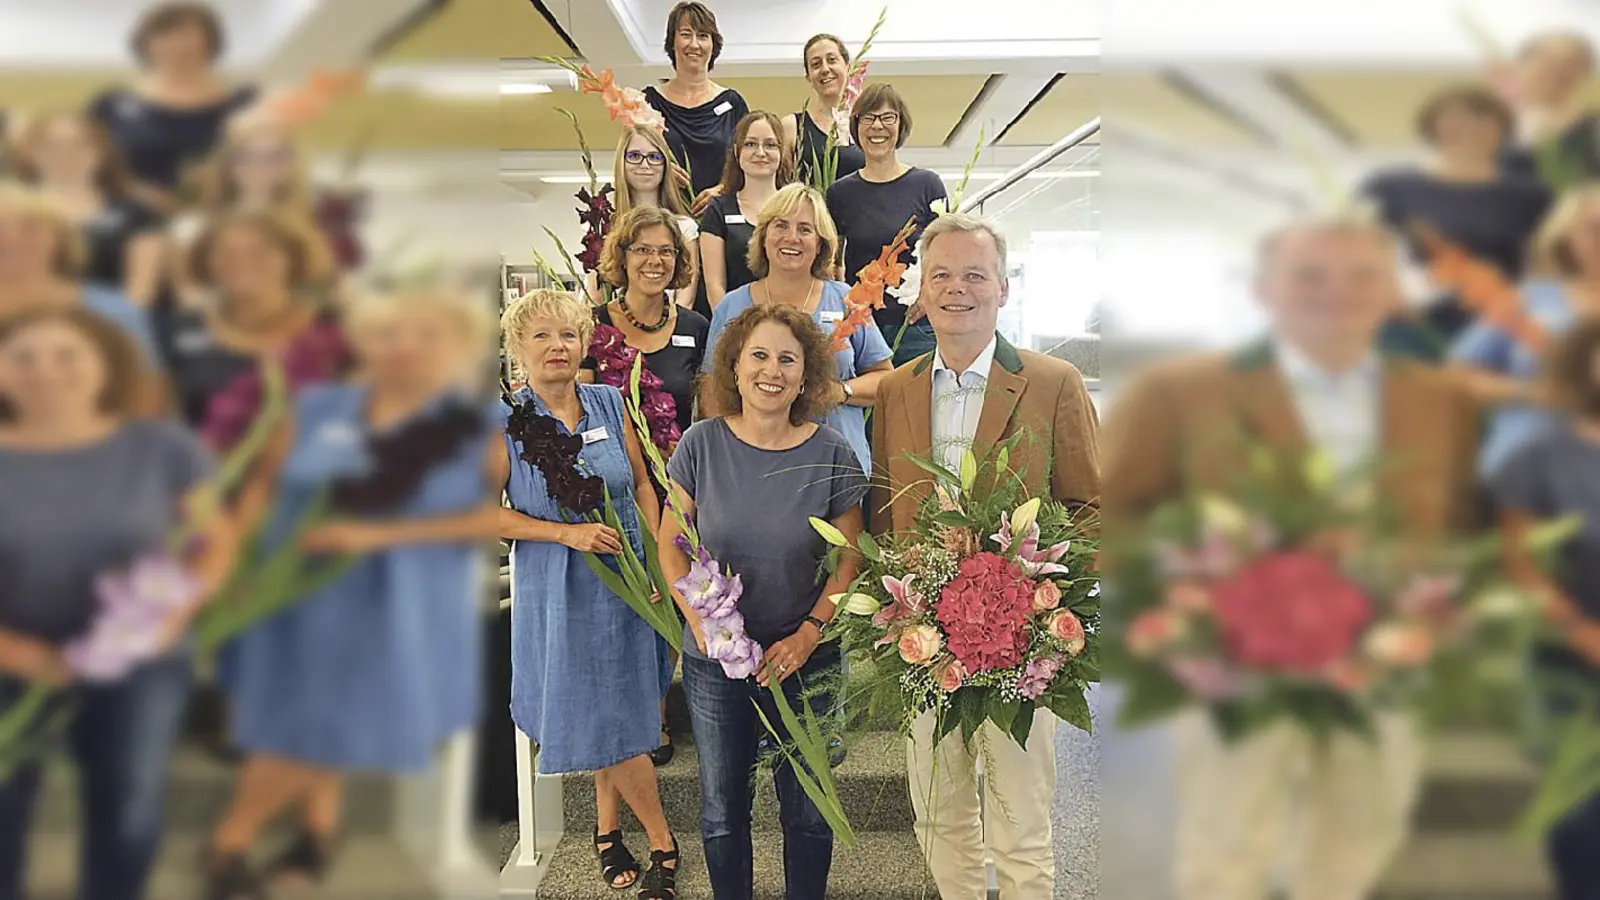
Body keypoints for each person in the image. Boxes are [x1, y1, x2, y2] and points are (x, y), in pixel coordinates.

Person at [1102, 218, 1480, 900]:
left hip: (1386, 664)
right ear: (1263, 290)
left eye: (1363, 276)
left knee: (1362, 834)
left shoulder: (1442, 396)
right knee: (1227, 845)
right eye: (1310, 276)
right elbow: (1112, 513)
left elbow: (1468, 520)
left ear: (1392, 292)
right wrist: (1181, 598)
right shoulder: (1182, 390)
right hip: (1238, 661)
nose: (1338, 292)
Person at [204, 289, 498, 897]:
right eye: (391, 333)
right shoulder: (316, 409)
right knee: (298, 718)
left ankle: (230, 842)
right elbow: (261, 490)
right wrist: (232, 572)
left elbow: (488, 518)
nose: (405, 346)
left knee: (325, 721)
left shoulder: (476, 426)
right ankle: (317, 831)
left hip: (397, 601)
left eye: (427, 334)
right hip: (291, 593)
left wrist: (375, 535)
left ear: (458, 349)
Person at [868, 213, 1099, 900]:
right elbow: (883, 509)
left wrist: (1046, 607)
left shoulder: (1054, 382)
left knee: (1019, 826)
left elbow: (1092, 508)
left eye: (975, 275)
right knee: (939, 819)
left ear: (1003, 289)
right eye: (941, 275)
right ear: (921, 292)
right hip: (925, 646)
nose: (957, 288)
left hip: (1019, 649)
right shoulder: (897, 388)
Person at [0, 307, 233, 900]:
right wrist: (18, 652)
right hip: (7, 655)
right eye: (23, 357)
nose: (45, 371)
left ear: (105, 365)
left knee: (129, 807)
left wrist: (169, 616)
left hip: (138, 655)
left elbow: (215, 541)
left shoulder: (162, 447)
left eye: (67, 355)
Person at [660, 303, 866, 900]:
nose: (771, 371)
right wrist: (701, 623)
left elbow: (850, 559)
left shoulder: (832, 452)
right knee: (723, 810)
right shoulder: (700, 445)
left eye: (787, 359)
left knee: (808, 809)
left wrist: (810, 633)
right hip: (717, 662)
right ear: (735, 366)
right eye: (759, 356)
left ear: (806, 376)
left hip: (807, 657)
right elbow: (670, 543)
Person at [497, 289, 679, 898]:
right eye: (542, 336)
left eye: (568, 335)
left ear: (584, 344)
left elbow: (643, 486)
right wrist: (564, 533)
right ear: (518, 348)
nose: (557, 347)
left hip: (629, 581)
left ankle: (605, 829)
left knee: (622, 707)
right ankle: (662, 839)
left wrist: (655, 562)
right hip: (562, 589)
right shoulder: (501, 420)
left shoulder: (608, 400)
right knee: (603, 710)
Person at [582, 205, 709, 766]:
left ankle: (662, 706)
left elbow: (707, 408)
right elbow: (579, 409)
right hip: (616, 484)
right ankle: (635, 711)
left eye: (666, 251)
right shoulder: (593, 324)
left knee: (675, 594)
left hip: (678, 482)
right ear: (622, 256)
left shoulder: (695, 328)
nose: (654, 261)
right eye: (643, 250)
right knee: (631, 596)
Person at [1494, 318, 1600, 900]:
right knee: (1583, 813)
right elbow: (1520, 562)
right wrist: (1580, 631)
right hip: (1574, 655)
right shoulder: (1540, 451)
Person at [704, 183, 891, 478]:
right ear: (763, 236)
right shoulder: (732, 306)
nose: (792, 237)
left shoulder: (847, 300)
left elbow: (886, 380)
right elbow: (712, 388)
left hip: (836, 470)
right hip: (754, 469)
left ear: (820, 244)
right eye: (781, 226)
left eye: (805, 229)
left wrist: (841, 391)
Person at [1361, 84, 1551, 348]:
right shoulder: (1391, 186)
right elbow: (1362, 250)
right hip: (1409, 320)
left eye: (1482, 119)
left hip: (1499, 324)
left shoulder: (1531, 196)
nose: (1469, 129)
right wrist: (1386, 295)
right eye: (1455, 120)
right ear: (1431, 127)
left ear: (1503, 129)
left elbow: (1546, 263)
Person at [1450, 184, 1600, 481]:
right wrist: (1537, 394)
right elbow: (1456, 377)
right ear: (1566, 237)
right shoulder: (1527, 300)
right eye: (1593, 229)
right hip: (1529, 463)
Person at [88, 1, 257, 213]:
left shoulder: (244, 105)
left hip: (225, 217)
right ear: (145, 43)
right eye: (166, 35)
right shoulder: (112, 105)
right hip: (130, 217)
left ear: (211, 42)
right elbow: (89, 167)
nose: (178, 45)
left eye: (189, 35)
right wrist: (136, 191)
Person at [826, 83, 948, 366]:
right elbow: (829, 259)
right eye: (868, 118)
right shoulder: (840, 193)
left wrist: (928, 296)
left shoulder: (927, 185)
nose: (877, 126)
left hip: (916, 325)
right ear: (856, 126)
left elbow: (946, 254)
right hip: (862, 325)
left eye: (887, 117)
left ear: (901, 124)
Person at [9, 111, 169, 308]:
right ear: (29, 153)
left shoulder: (138, 215)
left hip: (112, 318)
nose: (65, 155)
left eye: (78, 145)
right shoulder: (9, 212)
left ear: (101, 153)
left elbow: (140, 293)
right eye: (51, 146)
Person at [0, 183, 161, 375]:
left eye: (30, 228)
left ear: (61, 240)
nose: (9, 238)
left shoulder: (112, 311)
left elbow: (146, 385)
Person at [644, 2, 749, 199]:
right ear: (672, 42)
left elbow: (750, 165)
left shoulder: (733, 104)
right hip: (663, 212)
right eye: (686, 34)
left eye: (702, 36)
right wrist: (658, 170)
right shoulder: (647, 102)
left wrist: (722, 190)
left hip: (720, 213)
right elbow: (630, 161)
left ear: (713, 45)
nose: (694, 44)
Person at [698, 111, 794, 314]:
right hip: (735, 324)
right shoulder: (718, 210)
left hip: (791, 323)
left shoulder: (797, 207)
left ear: (782, 152)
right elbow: (715, 287)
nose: (761, 152)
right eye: (750, 144)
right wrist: (732, 327)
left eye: (770, 144)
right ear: (737, 151)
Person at [601, 125, 700, 308]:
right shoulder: (604, 223)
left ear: (665, 165)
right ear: (621, 162)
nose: (645, 165)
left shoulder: (685, 227)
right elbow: (596, 292)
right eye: (634, 156)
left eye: (654, 157)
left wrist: (669, 324)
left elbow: (686, 296)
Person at [1496, 31, 1600, 183]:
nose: (1557, 72)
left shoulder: (1594, 130)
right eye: (1548, 62)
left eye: (1570, 65)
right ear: (1521, 65)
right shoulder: (1490, 122)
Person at [783, 33, 867, 187]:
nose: (825, 69)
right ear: (808, 77)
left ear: (847, 67)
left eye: (832, 60)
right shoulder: (792, 126)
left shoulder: (867, 122)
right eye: (816, 64)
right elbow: (781, 186)